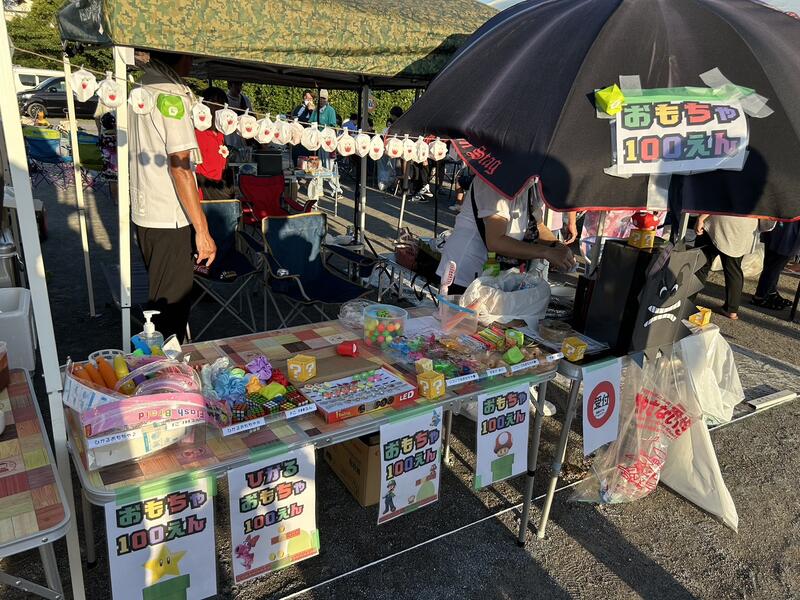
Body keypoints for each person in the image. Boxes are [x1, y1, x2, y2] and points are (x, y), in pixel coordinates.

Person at [130, 51, 216, 342]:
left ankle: (161, 360)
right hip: (169, 216)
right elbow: (180, 167)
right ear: (182, 58)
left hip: (147, 212)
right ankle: (166, 367)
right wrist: (202, 231)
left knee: (161, 304)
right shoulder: (171, 95)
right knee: (170, 311)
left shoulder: (142, 86)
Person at [437, 176, 574, 293]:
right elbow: (495, 241)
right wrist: (546, 252)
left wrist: (557, 245)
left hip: (495, 272)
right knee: (462, 315)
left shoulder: (530, 184)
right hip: (467, 269)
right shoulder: (496, 181)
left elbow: (538, 226)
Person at [694, 214, 758, 320]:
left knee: (701, 265)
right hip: (745, 226)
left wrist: (701, 218)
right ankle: (731, 309)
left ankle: (688, 299)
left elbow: (718, 203)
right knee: (734, 269)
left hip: (720, 222)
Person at [194, 87, 235, 201]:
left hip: (221, 190)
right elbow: (195, 169)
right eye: (215, 103)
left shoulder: (221, 133)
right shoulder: (198, 133)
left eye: (223, 104)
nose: (219, 108)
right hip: (205, 193)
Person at [752, 221, 800, 310]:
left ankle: (770, 292)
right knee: (775, 265)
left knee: (772, 263)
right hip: (787, 229)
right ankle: (761, 296)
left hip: (780, 225)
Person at [310, 89, 342, 196]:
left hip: (327, 141)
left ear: (326, 99)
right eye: (320, 98)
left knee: (329, 166)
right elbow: (311, 122)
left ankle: (337, 189)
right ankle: (319, 188)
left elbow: (332, 126)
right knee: (317, 166)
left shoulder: (330, 110)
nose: (321, 100)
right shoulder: (315, 110)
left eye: (323, 98)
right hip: (317, 141)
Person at [225, 80, 253, 160]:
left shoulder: (245, 100)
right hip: (228, 135)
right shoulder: (225, 99)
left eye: (240, 85)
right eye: (236, 85)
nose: (239, 87)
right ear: (230, 86)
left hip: (242, 136)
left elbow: (252, 116)